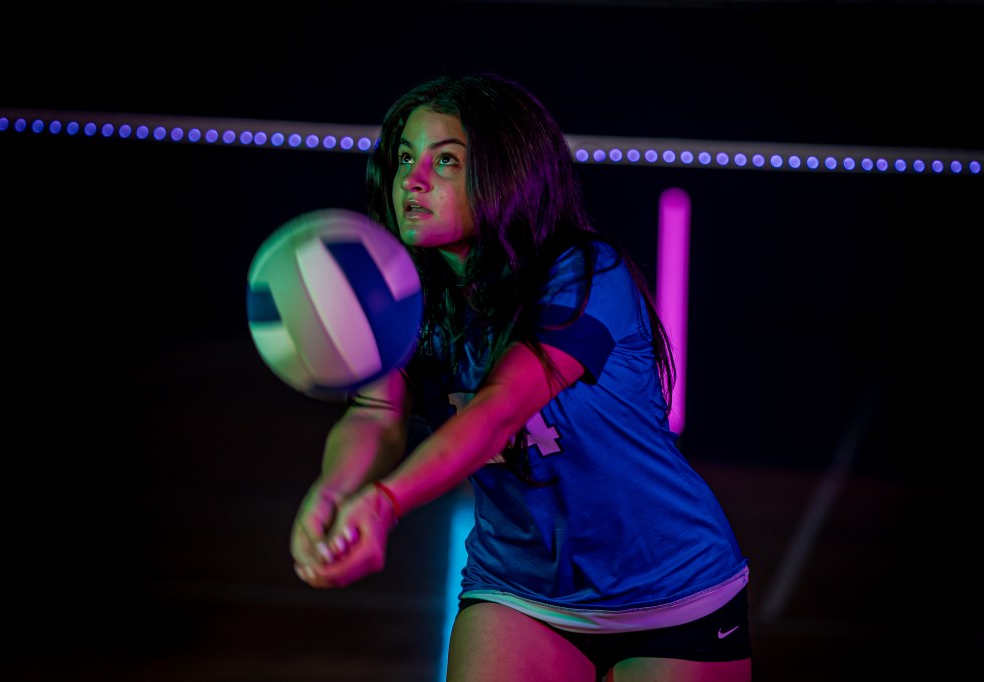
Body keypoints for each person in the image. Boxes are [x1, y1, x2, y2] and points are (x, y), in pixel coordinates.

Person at [290, 72, 752, 682]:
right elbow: (376, 414)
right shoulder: (409, 297)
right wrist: (336, 490)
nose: (413, 180)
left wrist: (386, 502)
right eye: (405, 157)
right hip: (518, 589)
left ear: (505, 174)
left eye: (446, 160)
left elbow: (498, 410)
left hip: (672, 591)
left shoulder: (585, 274)